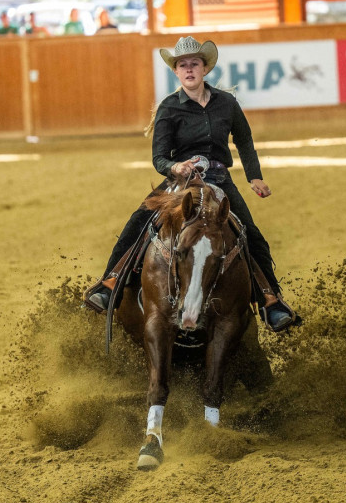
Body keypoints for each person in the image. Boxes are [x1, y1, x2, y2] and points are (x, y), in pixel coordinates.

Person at [85, 36, 297, 331]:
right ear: (176, 71)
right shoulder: (169, 108)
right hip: (179, 183)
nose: (188, 69)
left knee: (252, 236)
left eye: (194, 64)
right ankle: (110, 284)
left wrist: (254, 176)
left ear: (205, 68)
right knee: (138, 223)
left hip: (219, 178)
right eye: (182, 65)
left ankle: (271, 301)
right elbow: (159, 157)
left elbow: (244, 140)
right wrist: (174, 166)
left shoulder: (227, 103)